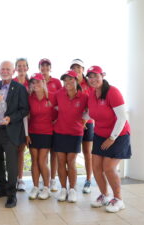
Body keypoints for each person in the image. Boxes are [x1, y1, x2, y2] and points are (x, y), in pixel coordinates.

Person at [87, 66, 131, 213]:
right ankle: (104, 196)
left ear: (103, 75)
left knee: (109, 168)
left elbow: (122, 117)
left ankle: (118, 200)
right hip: (100, 134)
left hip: (118, 135)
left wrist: (112, 138)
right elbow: (89, 113)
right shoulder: (92, 94)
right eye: (90, 77)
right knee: (96, 168)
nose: (93, 79)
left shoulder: (113, 92)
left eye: (96, 76)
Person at [0, 61, 29, 208]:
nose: (5, 71)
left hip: (11, 131)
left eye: (8, 69)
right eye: (2, 69)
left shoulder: (19, 88)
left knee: (11, 164)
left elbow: (24, 110)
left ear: (13, 71)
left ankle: (12, 194)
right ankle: (2, 188)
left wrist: (11, 118)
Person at [53, 70, 88, 203]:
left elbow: (90, 111)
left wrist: (83, 121)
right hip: (60, 131)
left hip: (75, 132)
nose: (67, 82)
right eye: (65, 80)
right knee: (61, 161)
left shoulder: (84, 96)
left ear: (76, 80)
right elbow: (52, 107)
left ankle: (72, 189)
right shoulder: (59, 94)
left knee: (71, 161)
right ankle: (63, 189)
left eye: (70, 80)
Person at [26, 73, 56, 200]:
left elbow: (62, 112)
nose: (35, 84)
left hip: (47, 133)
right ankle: (35, 186)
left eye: (38, 82)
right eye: (33, 82)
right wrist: (26, 134)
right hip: (33, 132)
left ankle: (46, 188)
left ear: (43, 82)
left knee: (42, 161)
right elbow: (25, 117)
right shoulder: (29, 98)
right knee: (34, 160)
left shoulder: (53, 97)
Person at [70, 59, 94, 194]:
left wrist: (84, 121)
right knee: (72, 154)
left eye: (78, 67)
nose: (76, 69)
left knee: (87, 153)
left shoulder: (89, 84)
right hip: (73, 124)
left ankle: (88, 180)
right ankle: (71, 183)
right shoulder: (70, 82)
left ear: (83, 69)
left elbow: (92, 104)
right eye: (73, 67)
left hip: (88, 124)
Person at [39, 58, 62, 192]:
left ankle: (53, 179)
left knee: (53, 153)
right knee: (43, 154)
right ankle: (45, 179)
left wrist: (58, 118)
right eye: (42, 66)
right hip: (42, 124)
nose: (45, 68)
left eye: (47, 65)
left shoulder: (57, 82)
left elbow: (61, 100)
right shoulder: (36, 81)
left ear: (50, 67)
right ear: (39, 67)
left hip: (55, 122)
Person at [13, 58, 30, 191]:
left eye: (23, 66)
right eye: (19, 66)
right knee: (12, 151)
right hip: (15, 120)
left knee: (21, 151)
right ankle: (12, 178)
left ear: (27, 68)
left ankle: (20, 179)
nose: (21, 68)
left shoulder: (32, 83)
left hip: (29, 121)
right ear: (15, 68)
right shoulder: (11, 82)